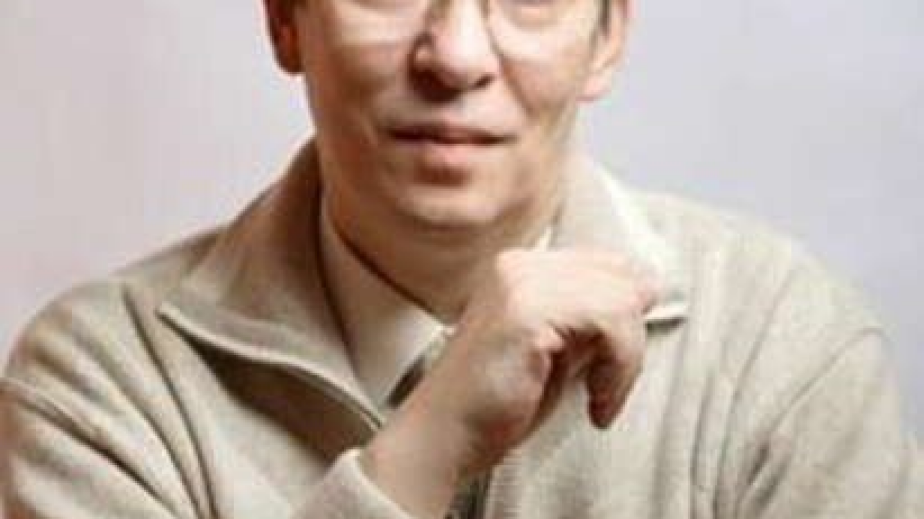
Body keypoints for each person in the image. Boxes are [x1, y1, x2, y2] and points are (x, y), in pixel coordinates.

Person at [1, 0, 921, 517]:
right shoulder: (100, 383)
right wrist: (421, 451)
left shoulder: (780, 351)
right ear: (285, 21)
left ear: (608, 38)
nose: (456, 55)